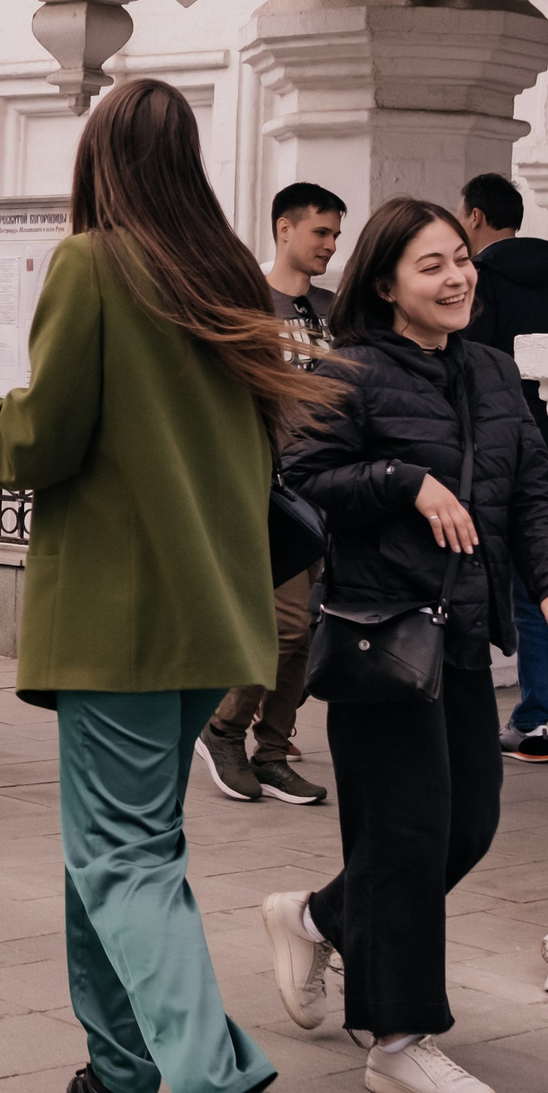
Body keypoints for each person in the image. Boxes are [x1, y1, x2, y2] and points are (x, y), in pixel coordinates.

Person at [0, 80, 333, 1093]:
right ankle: (120, 1076)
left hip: (121, 623)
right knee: (125, 845)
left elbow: (34, 442)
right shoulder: (227, 278)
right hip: (205, 619)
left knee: (120, 854)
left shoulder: (94, 265)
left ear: (100, 159)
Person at [263, 197, 548, 1093]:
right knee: (405, 837)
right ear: (387, 283)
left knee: (467, 826)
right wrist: (405, 480)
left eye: (460, 260)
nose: (456, 278)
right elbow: (303, 478)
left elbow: (533, 490)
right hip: (379, 631)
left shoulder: (492, 371)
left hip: (459, 637)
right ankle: (400, 1040)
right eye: (431, 266)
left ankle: (320, 916)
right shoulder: (351, 370)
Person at [194, 181, 345, 808]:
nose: (331, 247)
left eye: (336, 235)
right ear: (285, 227)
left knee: (311, 635)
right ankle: (223, 727)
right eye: (321, 233)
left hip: (330, 490)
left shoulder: (336, 309)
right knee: (284, 626)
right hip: (267, 492)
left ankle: (276, 752)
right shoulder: (248, 304)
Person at [460, 171, 548, 764]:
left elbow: (470, 367)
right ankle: (533, 725)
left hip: (484, 448)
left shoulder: (478, 281)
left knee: (466, 581)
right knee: (534, 593)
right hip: (539, 445)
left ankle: (459, 713)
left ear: (475, 216)